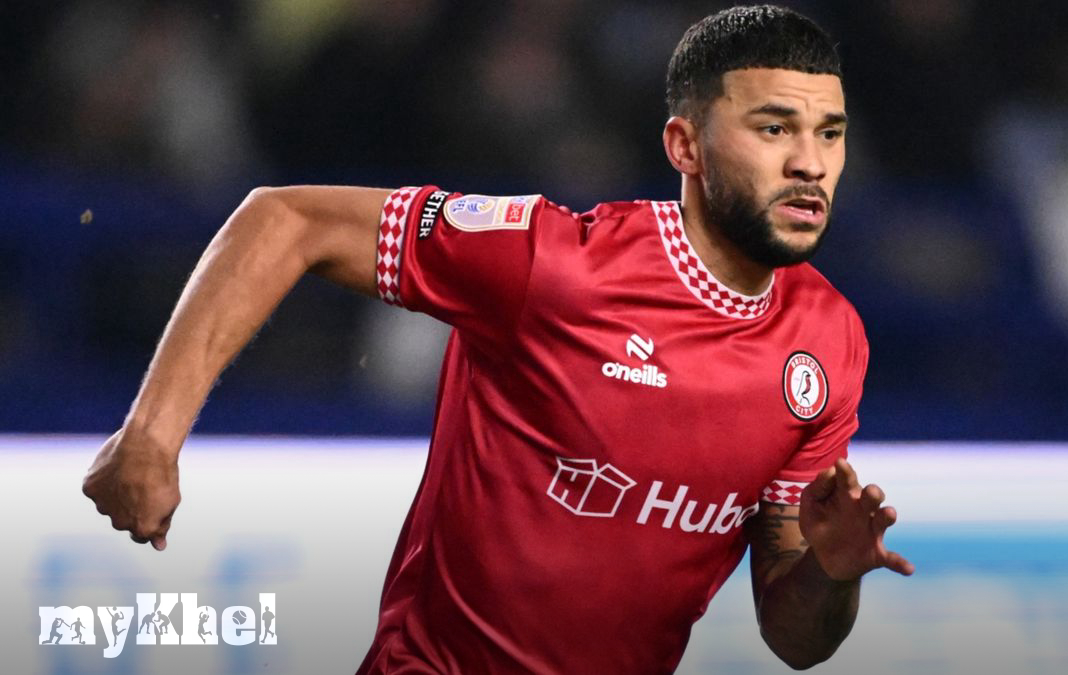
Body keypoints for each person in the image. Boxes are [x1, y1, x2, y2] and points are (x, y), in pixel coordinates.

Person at [82, 5, 913, 673]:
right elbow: (285, 219)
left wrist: (830, 571)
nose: (811, 163)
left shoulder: (829, 341)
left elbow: (795, 638)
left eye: (829, 132)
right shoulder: (556, 263)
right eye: (774, 129)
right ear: (684, 146)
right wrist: (151, 434)